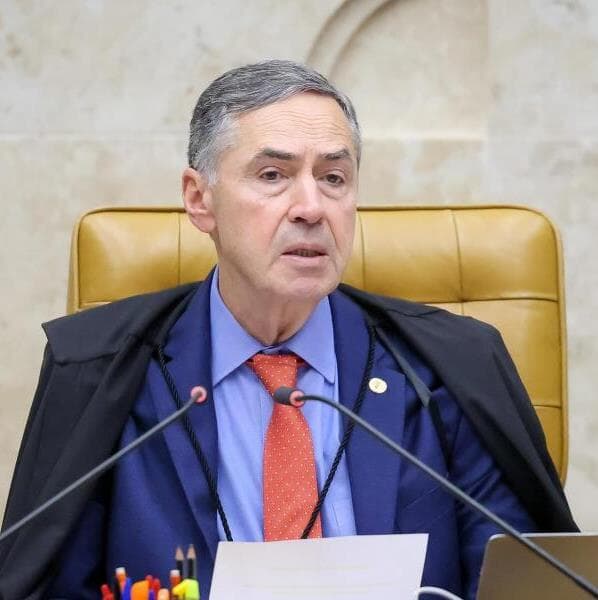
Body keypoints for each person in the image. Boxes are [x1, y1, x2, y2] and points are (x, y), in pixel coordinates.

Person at [0, 60, 576, 599]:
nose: (311, 207)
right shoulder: (99, 372)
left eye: (334, 178)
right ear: (199, 200)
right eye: (273, 175)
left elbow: (524, 586)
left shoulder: (453, 367)